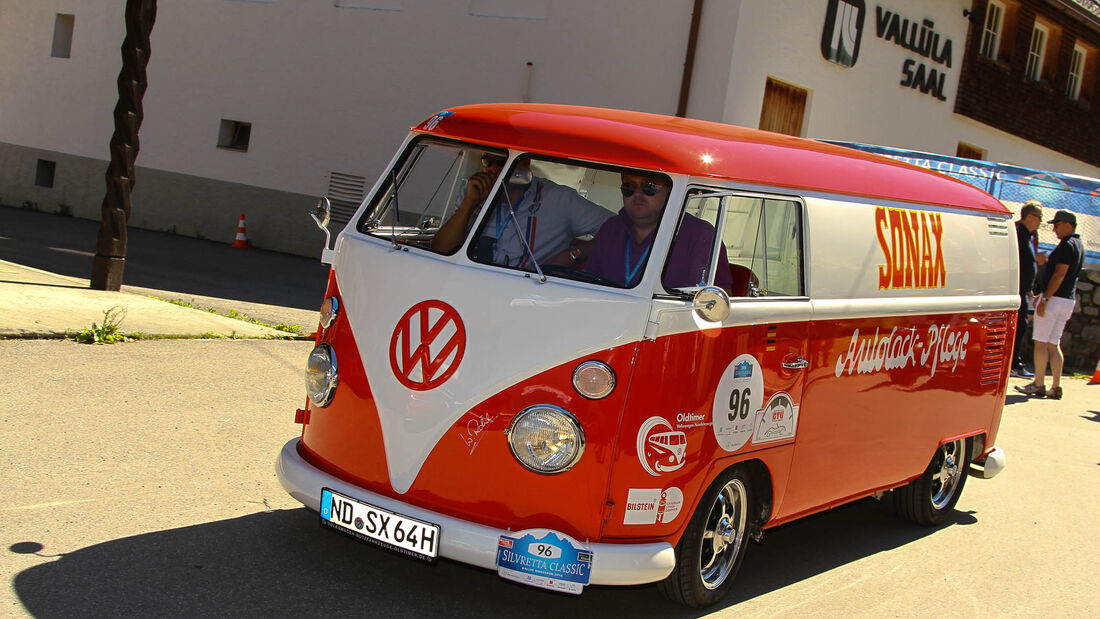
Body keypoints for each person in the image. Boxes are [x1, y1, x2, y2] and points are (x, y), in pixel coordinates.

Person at [432, 154, 610, 268]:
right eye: (488, 162)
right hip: (473, 278)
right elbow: (441, 248)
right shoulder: (473, 194)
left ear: (524, 162)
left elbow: (619, 230)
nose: (493, 169)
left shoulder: (559, 198)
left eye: (502, 162)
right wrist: (469, 204)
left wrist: (574, 253)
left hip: (530, 293)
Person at [585, 172, 733, 292]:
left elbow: (710, 305)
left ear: (670, 191)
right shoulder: (611, 228)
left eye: (649, 186)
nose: (637, 194)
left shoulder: (701, 236)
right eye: (629, 187)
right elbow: (588, 282)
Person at [1015, 210, 1084, 400]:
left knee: (1041, 343)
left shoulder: (1066, 245)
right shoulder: (1078, 244)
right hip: (1067, 300)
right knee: (1054, 344)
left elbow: (1059, 274)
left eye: (1057, 225)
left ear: (1068, 226)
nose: (1054, 229)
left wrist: (1045, 299)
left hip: (1054, 300)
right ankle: (1055, 386)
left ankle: (1038, 384)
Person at [1011, 200, 1042, 378]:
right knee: (1019, 326)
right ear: (1029, 216)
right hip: (1016, 289)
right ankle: (1014, 364)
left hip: (1024, 290)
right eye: (1038, 217)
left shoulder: (1029, 236)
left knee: (1021, 326)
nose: (1040, 221)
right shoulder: (1019, 234)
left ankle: (1015, 362)